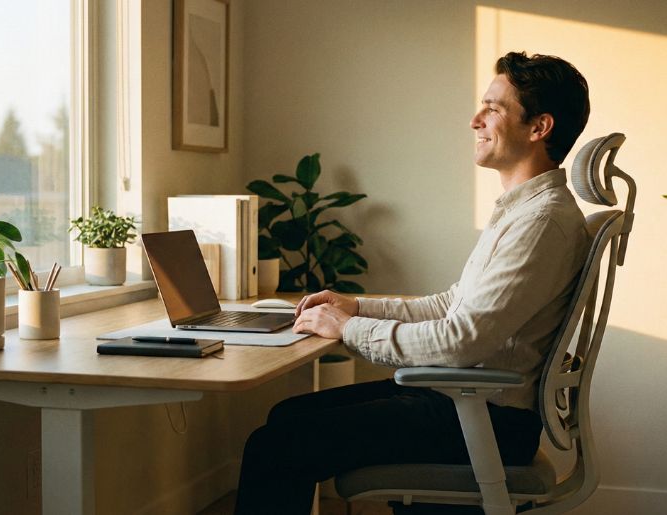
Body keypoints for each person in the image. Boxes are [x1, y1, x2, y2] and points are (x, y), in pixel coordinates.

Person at [234, 51, 592, 515]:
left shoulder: (541, 221)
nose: (475, 120)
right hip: (467, 403)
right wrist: (355, 307)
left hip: (483, 418)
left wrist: (344, 329)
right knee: (288, 418)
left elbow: (462, 340)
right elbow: (452, 305)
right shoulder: (524, 211)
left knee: (275, 445)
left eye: (493, 108)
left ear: (539, 127)